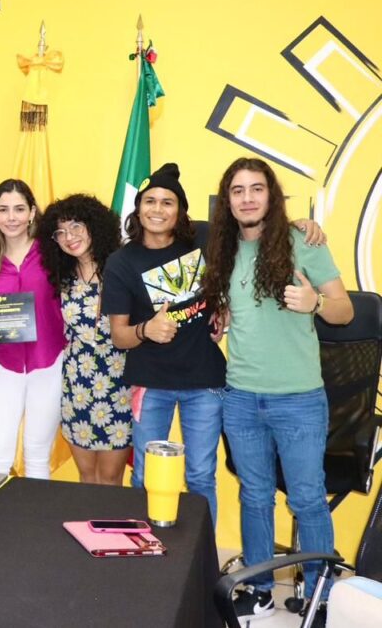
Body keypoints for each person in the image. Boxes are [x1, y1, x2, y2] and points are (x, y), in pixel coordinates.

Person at [101, 163, 323, 524]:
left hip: (205, 382)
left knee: (201, 476)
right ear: (138, 209)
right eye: (150, 201)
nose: (158, 210)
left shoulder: (205, 238)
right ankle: (143, 550)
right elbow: (119, 336)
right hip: (150, 384)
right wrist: (146, 330)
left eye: (168, 202)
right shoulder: (121, 262)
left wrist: (301, 224)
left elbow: (257, 224)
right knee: (144, 476)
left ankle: (201, 554)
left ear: (181, 211)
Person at [203, 157, 352, 622]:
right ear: (228, 201)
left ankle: (321, 595)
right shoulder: (222, 250)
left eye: (256, 188)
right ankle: (260, 590)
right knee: (255, 496)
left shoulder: (303, 241)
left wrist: (315, 302)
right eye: (238, 190)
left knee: (307, 498)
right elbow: (232, 310)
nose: (247, 198)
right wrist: (221, 321)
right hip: (241, 397)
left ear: (271, 195)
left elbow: (344, 310)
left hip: (299, 399)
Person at [0, 179, 65, 478]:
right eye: (3, 209)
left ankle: (35, 511)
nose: (11, 217)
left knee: (37, 455)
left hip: (49, 364)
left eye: (19, 209)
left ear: (32, 212)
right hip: (4, 366)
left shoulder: (53, 253)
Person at [38, 194, 131, 485]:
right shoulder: (59, 277)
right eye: (60, 232)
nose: (69, 237)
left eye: (76, 226)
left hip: (119, 384)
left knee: (110, 478)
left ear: (95, 226)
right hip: (77, 386)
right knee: (87, 477)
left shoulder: (122, 269)